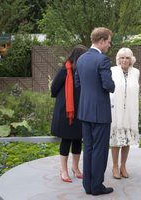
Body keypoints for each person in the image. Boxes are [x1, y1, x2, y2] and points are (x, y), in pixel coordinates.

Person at [75, 27, 115, 195]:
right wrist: (112, 85)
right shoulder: (103, 60)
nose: (109, 45)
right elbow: (109, 86)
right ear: (102, 41)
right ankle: (97, 186)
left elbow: (77, 83)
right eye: (109, 41)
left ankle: (88, 186)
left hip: (84, 111)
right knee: (100, 150)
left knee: (89, 148)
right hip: (100, 113)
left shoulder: (81, 59)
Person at [51, 45, 88, 183]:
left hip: (80, 110)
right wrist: (65, 98)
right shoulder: (64, 70)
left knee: (78, 139)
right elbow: (53, 89)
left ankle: (75, 168)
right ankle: (63, 170)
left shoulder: (83, 71)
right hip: (66, 112)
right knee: (66, 140)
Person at [110, 47, 140, 179]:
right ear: (118, 59)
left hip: (130, 110)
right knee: (116, 140)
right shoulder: (112, 71)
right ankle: (115, 166)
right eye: (122, 57)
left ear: (131, 59)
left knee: (127, 139)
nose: (124, 60)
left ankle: (123, 166)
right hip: (116, 110)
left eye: (127, 57)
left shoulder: (136, 72)